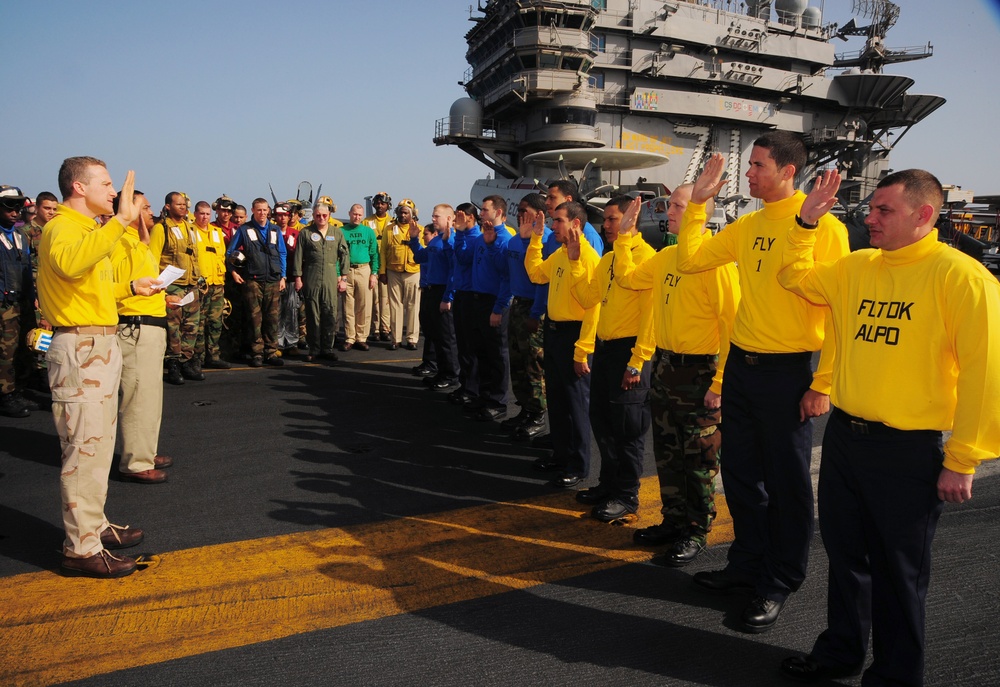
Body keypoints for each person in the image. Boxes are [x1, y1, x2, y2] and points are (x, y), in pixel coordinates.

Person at [775, 168, 1000, 685]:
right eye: (871, 209)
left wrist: (962, 458)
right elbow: (794, 278)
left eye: (884, 211)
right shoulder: (857, 267)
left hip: (908, 452)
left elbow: (986, 374)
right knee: (846, 557)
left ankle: (896, 678)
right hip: (845, 442)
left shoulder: (960, 277)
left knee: (899, 576)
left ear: (925, 215)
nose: (869, 219)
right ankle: (840, 654)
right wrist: (805, 225)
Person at [676, 133, 849, 633]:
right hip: (744, 371)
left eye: (756, 165)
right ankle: (746, 565)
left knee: (786, 484)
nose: (747, 173)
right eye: (748, 164)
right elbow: (690, 261)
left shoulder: (824, 227)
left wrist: (824, 382)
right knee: (742, 475)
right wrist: (698, 208)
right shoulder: (748, 225)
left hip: (789, 373)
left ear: (788, 170)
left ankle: (780, 579)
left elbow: (839, 307)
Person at [37, 156, 157, 578]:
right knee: (83, 451)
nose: (114, 192)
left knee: (99, 446)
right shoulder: (61, 228)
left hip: (100, 344)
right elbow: (71, 264)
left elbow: (91, 283)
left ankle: (93, 524)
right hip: (80, 348)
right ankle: (80, 548)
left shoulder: (88, 231)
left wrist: (129, 286)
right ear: (79, 188)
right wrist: (121, 222)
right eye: (106, 184)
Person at [614, 185, 739, 566]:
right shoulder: (668, 256)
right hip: (667, 366)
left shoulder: (715, 263)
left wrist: (719, 384)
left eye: (679, 206)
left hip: (700, 370)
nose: (670, 211)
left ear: (700, 212)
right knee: (668, 452)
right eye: (670, 206)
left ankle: (697, 530)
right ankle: (674, 520)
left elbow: (732, 325)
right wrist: (623, 238)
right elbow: (628, 279)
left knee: (699, 458)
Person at [566, 194, 656, 522]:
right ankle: (608, 486)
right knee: (603, 423)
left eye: (611, 219)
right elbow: (589, 297)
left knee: (628, 429)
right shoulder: (607, 259)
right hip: (605, 350)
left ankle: (627, 495)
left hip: (629, 352)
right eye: (604, 220)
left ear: (631, 220)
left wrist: (638, 360)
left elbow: (650, 316)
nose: (605, 225)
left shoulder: (646, 257)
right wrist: (576, 260)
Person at [525, 201, 600, 488]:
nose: (553, 226)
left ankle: (579, 465)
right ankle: (560, 454)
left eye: (558, 221)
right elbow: (535, 274)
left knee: (576, 403)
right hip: (554, 332)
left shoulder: (590, 259)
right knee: (556, 398)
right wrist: (535, 237)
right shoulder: (558, 254)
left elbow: (593, 309)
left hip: (574, 334)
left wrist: (583, 350)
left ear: (575, 224)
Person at [111, 189, 174, 484]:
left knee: (150, 397)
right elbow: (118, 286)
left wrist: (164, 297)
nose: (151, 213)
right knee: (137, 398)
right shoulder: (118, 243)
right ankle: (136, 462)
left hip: (151, 324)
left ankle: (144, 450)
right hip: (135, 328)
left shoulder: (139, 243)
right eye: (145, 208)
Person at [498, 193, 549, 439]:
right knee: (517, 362)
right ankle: (525, 409)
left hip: (534, 307)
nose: (519, 216)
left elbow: (543, 281)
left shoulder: (547, 240)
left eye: (524, 212)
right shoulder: (513, 241)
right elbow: (508, 277)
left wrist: (536, 313)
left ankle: (538, 414)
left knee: (534, 365)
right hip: (517, 304)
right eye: (518, 212)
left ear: (539, 215)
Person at [150, 191, 204, 384]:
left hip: (191, 285)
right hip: (172, 286)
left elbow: (194, 256)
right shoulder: (161, 228)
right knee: (173, 328)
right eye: (179, 204)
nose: (183, 207)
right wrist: (160, 289)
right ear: (168, 206)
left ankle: (186, 362)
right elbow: (153, 259)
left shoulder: (190, 228)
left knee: (191, 327)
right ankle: (172, 364)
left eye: (184, 205)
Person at [226, 198, 287, 367]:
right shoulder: (244, 230)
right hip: (253, 281)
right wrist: (233, 272)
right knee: (255, 319)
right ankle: (257, 353)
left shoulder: (274, 230)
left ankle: (271, 352)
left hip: (273, 280)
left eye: (265, 210)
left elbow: (282, 253)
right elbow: (230, 252)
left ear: (269, 211)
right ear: (253, 210)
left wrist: (283, 276)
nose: (262, 213)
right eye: (258, 210)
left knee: (272, 319)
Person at [467, 195, 513, 420]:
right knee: (482, 351)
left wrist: (498, 308)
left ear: (499, 213)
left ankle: (498, 402)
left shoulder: (505, 239)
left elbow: (507, 277)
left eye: (485, 210)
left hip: (494, 302)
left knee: (496, 354)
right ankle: (484, 396)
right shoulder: (479, 238)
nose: (481, 213)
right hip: (477, 300)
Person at [408, 205, 459, 388]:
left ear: (448, 219)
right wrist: (414, 239)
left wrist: (448, 298)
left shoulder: (451, 240)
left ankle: (451, 375)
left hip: (442, 291)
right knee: (434, 334)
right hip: (430, 290)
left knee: (446, 337)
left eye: (437, 216)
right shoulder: (435, 241)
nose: (433, 218)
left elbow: (454, 271)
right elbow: (421, 257)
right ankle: (441, 370)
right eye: (433, 215)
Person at [292, 203, 349, 362]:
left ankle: (327, 348)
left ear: (329, 215)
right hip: (311, 275)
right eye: (318, 215)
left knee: (330, 312)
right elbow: (298, 256)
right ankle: (314, 349)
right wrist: (297, 277)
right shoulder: (305, 233)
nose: (321, 218)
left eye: (324, 215)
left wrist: (344, 277)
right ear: (314, 216)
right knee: (312, 313)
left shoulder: (337, 233)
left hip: (331, 275)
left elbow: (344, 255)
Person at [0, 185, 35, 417]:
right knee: (6, 352)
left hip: (23, 301)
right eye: (9, 206)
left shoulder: (21, 235)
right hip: (4, 305)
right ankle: (5, 395)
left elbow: (28, 268)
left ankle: (18, 390)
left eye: (19, 206)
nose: (15, 211)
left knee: (25, 348)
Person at [448, 202, 482, 405]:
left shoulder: (476, 237)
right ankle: (465, 384)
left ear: (470, 217)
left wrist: (459, 233)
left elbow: (463, 257)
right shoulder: (463, 235)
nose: (457, 220)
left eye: (459, 216)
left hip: (471, 294)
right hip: (461, 291)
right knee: (462, 343)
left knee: (470, 345)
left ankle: (472, 388)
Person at [379, 199, 422, 351]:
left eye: (406, 213)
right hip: (393, 271)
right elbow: (383, 251)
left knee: (413, 305)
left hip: (413, 271)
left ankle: (412, 338)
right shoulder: (389, 229)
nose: (403, 215)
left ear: (412, 214)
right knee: (395, 306)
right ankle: (395, 339)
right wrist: (382, 272)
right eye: (400, 212)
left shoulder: (419, 229)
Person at [193, 201, 230, 370]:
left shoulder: (217, 232)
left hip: (217, 283)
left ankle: (213, 355)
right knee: (199, 323)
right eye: (201, 213)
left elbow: (221, 255)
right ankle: (198, 357)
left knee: (216, 321)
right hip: (201, 284)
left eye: (208, 214)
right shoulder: (191, 231)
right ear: (195, 214)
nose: (205, 217)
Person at [340, 204, 379, 351]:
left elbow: (375, 253)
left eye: (359, 215)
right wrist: (340, 275)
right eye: (354, 214)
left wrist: (374, 273)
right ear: (349, 213)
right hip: (347, 270)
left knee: (364, 305)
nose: (357, 217)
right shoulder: (341, 231)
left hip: (364, 269)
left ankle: (361, 337)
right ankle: (350, 337)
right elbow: (338, 256)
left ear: (362, 216)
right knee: (347, 306)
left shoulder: (368, 232)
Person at [364, 192, 393, 342]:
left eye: (383, 203)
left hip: (388, 266)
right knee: (374, 298)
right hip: (371, 265)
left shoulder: (393, 223)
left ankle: (385, 328)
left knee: (385, 299)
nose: (380, 205)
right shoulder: (366, 222)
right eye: (378, 203)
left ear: (388, 205)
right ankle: (375, 329)